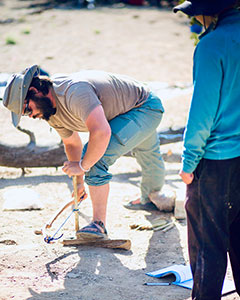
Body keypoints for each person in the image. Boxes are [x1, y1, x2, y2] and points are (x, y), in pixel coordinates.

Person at [3, 67, 175, 239]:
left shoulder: (74, 92)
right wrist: (78, 183)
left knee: (94, 158)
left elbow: (101, 132)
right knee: (147, 152)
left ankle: (98, 225)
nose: (30, 116)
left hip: (145, 107)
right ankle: (150, 197)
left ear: (34, 91)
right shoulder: (50, 112)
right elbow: (71, 143)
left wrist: (83, 166)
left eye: (26, 109)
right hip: (126, 109)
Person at [173, 0, 240, 299]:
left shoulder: (212, 45)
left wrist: (188, 163)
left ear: (207, 12)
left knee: (207, 245)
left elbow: (202, 111)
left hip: (217, 160)